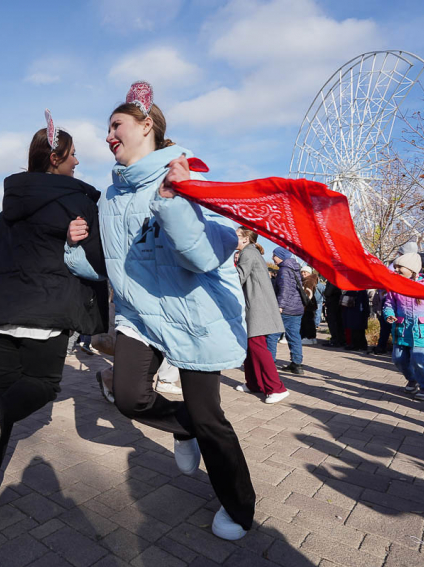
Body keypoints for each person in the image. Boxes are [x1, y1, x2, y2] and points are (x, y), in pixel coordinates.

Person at [65, 82, 254, 540]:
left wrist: (171, 203)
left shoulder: (186, 176)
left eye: (117, 125)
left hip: (192, 313)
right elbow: (106, 263)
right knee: (128, 397)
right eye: (106, 128)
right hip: (138, 315)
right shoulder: (108, 197)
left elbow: (206, 254)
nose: (108, 136)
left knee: (211, 418)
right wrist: (74, 247)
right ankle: (183, 430)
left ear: (146, 125)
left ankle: (240, 507)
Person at [0, 111, 107, 518]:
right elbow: (95, 262)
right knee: (41, 385)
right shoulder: (76, 203)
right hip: (46, 308)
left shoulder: (6, 209)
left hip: (1, 311)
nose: (78, 162)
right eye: (73, 154)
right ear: (56, 159)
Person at [234, 228, 289, 403]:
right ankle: (254, 383)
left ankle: (277, 388)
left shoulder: (248, 253)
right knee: (251, 346)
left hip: (258, 307)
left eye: (236, 236)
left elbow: (238, 278)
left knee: (257, 346)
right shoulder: (251, 252)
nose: (232, 238)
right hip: (255, 306)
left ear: (245, 239)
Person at [384, 253, 424, 401]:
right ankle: (412, 379)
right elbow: (388, 304)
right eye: (396, 266)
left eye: (400, 267)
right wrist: (389, 314)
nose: (396, 269)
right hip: (402, 329)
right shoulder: (395, 286)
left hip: (421, 331)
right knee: (398, 359)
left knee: (419, 360)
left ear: (412, 269)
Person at [268, 247, 305, 375]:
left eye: (274, 255)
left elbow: (285, 290)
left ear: (281, 256)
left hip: (286, 309)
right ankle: (297, 364)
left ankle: (269, 364)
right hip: (297, 308)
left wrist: (280, 306)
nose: (273, 258)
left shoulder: (284, 270)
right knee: (294, 336)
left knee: (272, 335)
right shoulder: (295, 268)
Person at [299, 265, 319, 345]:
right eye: (302, 272)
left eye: (305, 272)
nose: (303, 273)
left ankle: (309, 337)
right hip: (310, 304)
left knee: (307, 322)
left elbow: (307, 293)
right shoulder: (310, 279)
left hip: (307, 305)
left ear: (309, 273)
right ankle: (312, 338)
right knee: (310, 321)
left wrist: (304, 302)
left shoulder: (308, 281)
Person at [323, 281, 344, 347]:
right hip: (335, 302)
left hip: (333, 303)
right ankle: (339, 339)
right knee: (337, 322)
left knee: (333, 322)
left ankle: (335, 340)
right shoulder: (335, 280)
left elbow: (328, 292)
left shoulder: (333, 280)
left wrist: (325, 293)